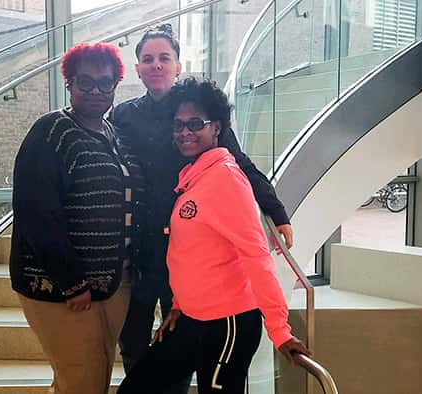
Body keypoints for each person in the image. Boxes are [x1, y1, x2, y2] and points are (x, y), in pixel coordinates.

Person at [109, 24, 294, 393]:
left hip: (194, 247)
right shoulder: (123, 116)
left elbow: (241, 165)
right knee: (136, 346)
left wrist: (276, 210)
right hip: (144, 249)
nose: (156, 65)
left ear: (178, 65)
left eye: (164, 58)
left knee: (184, 359)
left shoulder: (198, 114)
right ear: (138, 68)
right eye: (148, 59)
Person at [9, 42, 146, 394]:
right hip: (61, 288)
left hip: (114, 284)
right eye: (86, 82)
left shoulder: (114, 135)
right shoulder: (51, 131)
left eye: (106, 83)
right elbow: (36, 214)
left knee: (93, 374)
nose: (97, 91)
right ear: (69, 83)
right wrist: (71, 281)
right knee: (83, 378)